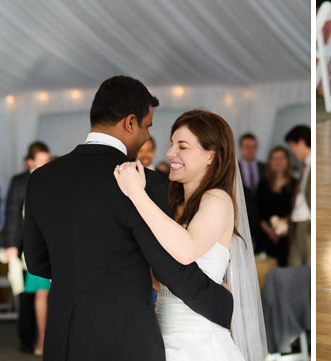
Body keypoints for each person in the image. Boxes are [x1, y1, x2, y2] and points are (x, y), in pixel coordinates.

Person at [23, 76, 233, 361]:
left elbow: (36, 262)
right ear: (130, 123)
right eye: (147, 126)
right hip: (125, 338)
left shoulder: (41, 179)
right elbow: (169, 268)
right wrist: (223, 302)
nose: (147, 137)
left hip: (64, 339)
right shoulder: (141, 181)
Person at [114, 109, 267, 361]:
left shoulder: (217, 199)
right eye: (171, 144)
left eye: (182, 146)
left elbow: (186, 251)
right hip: (164, 335)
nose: (170, 153)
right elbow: (161, 275)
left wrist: (136, 194)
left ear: (211, 155)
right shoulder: (174, 205)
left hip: (199, 342)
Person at [3, 141, 51, 353]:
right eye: (41, 160)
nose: (44, 164)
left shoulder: (54, 177)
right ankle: (31, 340)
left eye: (46, 160)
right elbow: (12, 213)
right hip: (30, 244)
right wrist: (11, 245)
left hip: (52, 242)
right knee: (30, 295)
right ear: (30, 161)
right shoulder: (20, 181)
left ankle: (47, 339)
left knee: (47, 294)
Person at [255, 146, 295, 266]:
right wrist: (269, 230)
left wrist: (283, 226)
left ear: (287, 161)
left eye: (281, 158)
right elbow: (257, 210)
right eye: (274, 159)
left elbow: (295, 210)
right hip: (264, 235)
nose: (278, 162)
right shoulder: (263, 183)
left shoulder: (294, 184)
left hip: (285, 237)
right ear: (270, 162)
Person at [285, 126, 311, 268]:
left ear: (301, 142)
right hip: (297, 225)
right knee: (295, 270)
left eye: (292, 145)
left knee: (307, 270)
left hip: (307, 226)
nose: (291, 150)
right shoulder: (305, 167)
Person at [237, 133, 264, 252]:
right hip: (241, 218)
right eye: (247, 146)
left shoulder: (265, 167)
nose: (250, 150)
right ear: (240, 148)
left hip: (261, 220)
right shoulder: (234, 168)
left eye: (253, 147)